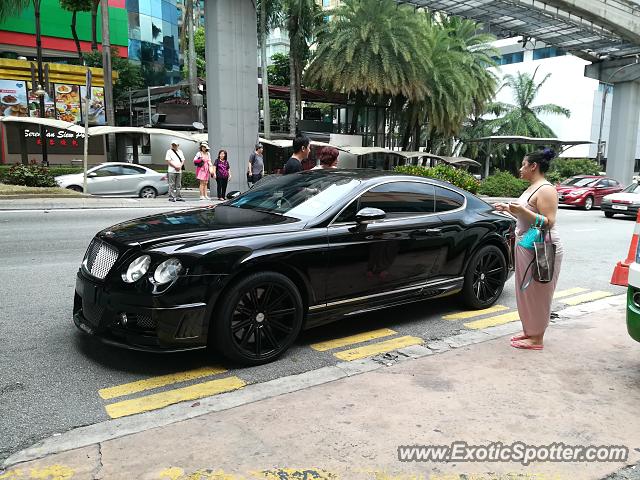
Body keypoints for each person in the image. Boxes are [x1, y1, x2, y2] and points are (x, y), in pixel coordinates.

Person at [494, 148, 563, 350]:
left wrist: (521, 210)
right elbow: (526, 218)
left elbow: (548, 222)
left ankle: (537, 338)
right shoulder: (533, 187)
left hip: (542, 247)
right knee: (526, 292)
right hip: (528, 243)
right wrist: (509, 209)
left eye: (524, 165)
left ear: (534, 166)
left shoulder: (546, 189)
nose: (521, 168)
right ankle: (530, 331)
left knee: (539, 293)